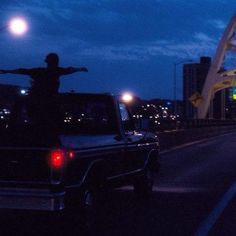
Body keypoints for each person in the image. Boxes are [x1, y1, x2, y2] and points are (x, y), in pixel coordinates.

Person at [0, 53, 88, 131]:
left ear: (47, 61)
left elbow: (23, 70)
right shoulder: (55, 71)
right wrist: (79, 69)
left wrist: (8, 71)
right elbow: (69, 69)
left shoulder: (41, 71)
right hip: (47, 103)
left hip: (39, 102)